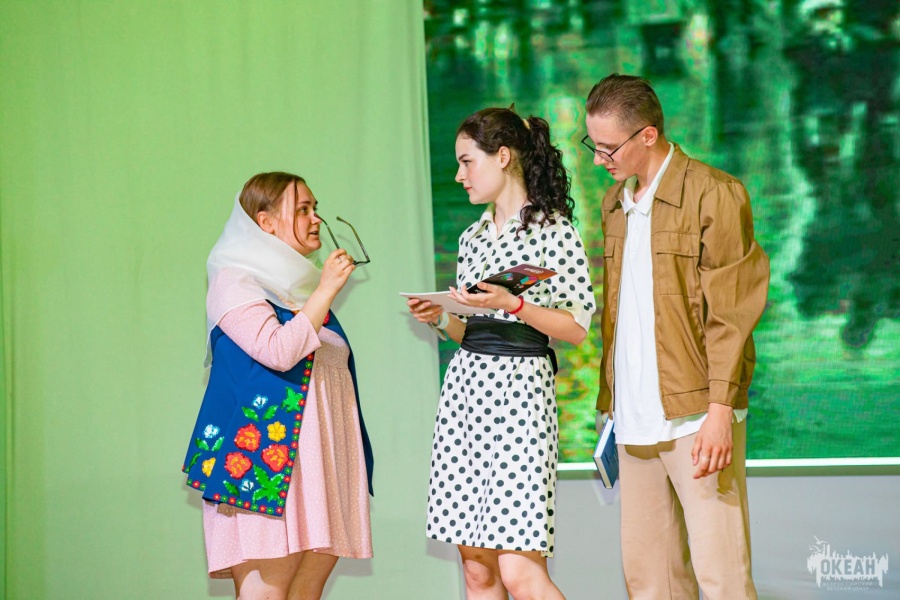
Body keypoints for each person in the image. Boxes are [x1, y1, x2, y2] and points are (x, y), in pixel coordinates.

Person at [582, 74, 769, 599]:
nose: (599, 160)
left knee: (722, 577)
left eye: (607, 148)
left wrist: (719, 412)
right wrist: (609, 404)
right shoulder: (615, 204)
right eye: (592, 146)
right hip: (633, 420)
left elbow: (731, 313)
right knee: (649, 581)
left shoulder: (714, 193)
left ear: (647, 135)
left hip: (696, 416)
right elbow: (619, 313)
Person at [407, 107, 595, 600]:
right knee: (477, 571)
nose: (459, 175)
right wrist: (440, 318)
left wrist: (514, 303)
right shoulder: (471, 237)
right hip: (466, 396)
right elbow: (472, 332)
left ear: (503, 157)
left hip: (520, 397)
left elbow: (576, 329)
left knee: (520, 572)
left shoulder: (554, 231)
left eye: (467, 162)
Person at [181, 172, 374, 600]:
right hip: (269, 462)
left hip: (318, 464)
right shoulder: (236, 280)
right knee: (265, 593)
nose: (316, 219)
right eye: (303, 210)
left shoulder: (297, 292)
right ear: (265, 222)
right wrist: (325, 291)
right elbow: (278, 351)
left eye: (315, 208)